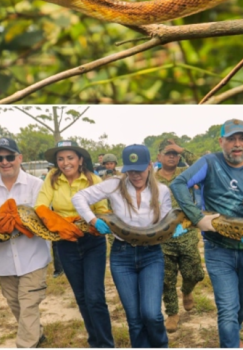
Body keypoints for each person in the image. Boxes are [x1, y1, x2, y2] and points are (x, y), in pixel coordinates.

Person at [72, 144, 175, 348]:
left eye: (139, 169)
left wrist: (173, 228)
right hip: (122, 255)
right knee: (134, 319)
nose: (135, 175)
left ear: (149, 166)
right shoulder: (114, 184)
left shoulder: (162, 190)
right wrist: (93, 220)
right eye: (130, 170)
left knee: (152, 314)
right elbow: (79, 197)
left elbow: (165, 220)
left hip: (151, 255)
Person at [171, 119, 243, 348]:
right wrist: (197, 217)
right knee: (228, 309)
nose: (237, 143)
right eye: (231, 138)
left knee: (240, 308)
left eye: (241, 138)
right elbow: (179, 183)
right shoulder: (210, 162)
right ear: (221, 141)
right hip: (219, 250)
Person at [35, 140, 113, 348]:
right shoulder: (52, 179)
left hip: (92, 242)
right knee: (81, 296)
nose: (65, 162)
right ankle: (94, 341)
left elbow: (102, 210)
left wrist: (95, 222)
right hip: (65, 242)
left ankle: (106, 344)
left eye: (70, 157)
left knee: (95, 296)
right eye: (60, 159)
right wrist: (58, 223)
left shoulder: (93, 179)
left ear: (80, 160)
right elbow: (41, 206)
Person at [0, 137, 49, 348]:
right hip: (3, 261)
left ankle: (26, 344)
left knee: (28, 304)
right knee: (16, 305)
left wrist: (19, 224)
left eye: (10, 157)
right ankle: (37, 333)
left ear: (19, 158)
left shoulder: (37, 185)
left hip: (33, 258)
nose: (5, 162)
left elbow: (44, 221)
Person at [155, 138, 204, 332]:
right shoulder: (151, 178)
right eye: (168, 153)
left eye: (175, 153)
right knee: (167, 279)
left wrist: (183, 149)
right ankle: (173, 313)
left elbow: (202, 164)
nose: (172, 156)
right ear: (159, 156)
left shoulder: (186, 174)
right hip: (162, 236)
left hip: (187, 232)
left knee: (195, 273)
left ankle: (187, 290)